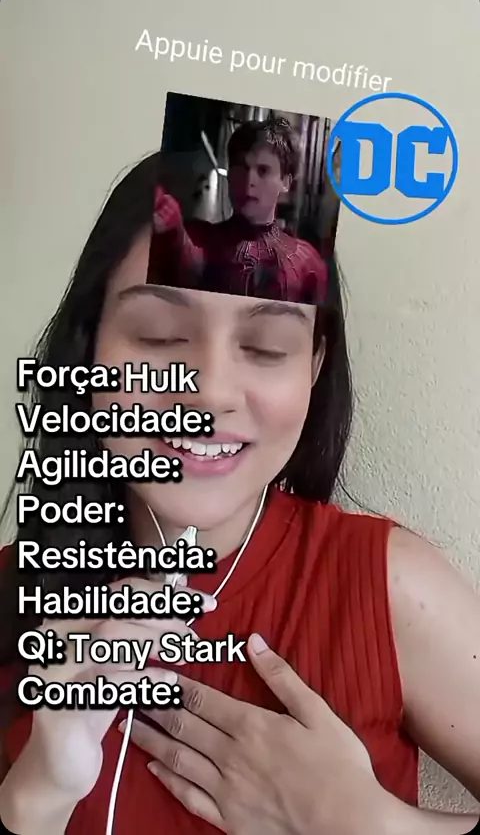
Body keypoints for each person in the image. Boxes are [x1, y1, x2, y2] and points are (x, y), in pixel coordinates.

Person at [0, 151, 479, 835]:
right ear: (89, 350)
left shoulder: (390, 586)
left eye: (267, 345)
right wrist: (37, 794)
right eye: (160, 335)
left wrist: (368, 824)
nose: (210, 392)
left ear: (313, 365)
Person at [148, 117, 328, 303]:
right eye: (241, 168)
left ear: (286, 182)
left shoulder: (307, 263)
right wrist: (172, 231)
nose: (249, 180)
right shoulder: (199, 239)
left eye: (263, 171)